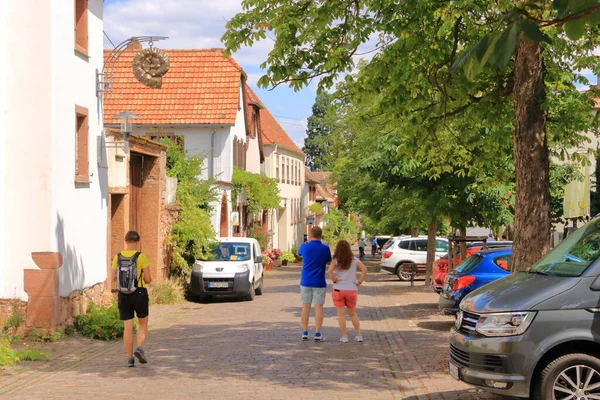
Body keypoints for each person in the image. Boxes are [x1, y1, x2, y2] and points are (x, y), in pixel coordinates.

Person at [112, 231, 152, 367]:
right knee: (142, 324)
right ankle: (139, 348)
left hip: (123, 294)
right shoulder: (142, 257)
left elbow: (112, 278)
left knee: (127, 327)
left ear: (126, 241)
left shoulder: (117, 257)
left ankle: (129, 359)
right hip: (139, 292)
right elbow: (148, 279)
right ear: (137, 242)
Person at [328, 240, 367, 343]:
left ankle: (344, 336)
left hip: (338, 289)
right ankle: (359, 335)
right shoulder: (354, 259)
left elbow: (329, 271)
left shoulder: (336, 259)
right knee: (353, 314)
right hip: (351, 289)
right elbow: (364, 269)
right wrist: (359, 282)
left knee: (341, 314)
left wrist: (334, 280)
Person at [297, 226, 332, 341]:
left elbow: (299, 254)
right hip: (319, 282)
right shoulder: (325, 248)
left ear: (310, 235)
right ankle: (317, 333)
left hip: (306, 281)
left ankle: (305, 332)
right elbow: (328, 261)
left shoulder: (304, 247)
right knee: (318, 308)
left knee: (305, 307)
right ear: (321, 236)